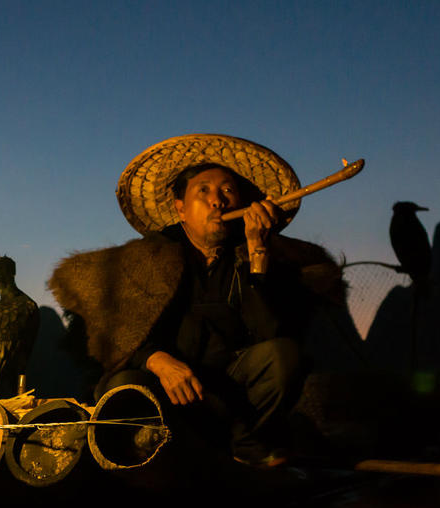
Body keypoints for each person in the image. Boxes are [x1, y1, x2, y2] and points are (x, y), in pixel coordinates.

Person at [49, 134, 344, 466]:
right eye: (203, 190)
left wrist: (257, 251)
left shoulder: (254, 256)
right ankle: (142, 465)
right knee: (125, 384)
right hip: (163, 395)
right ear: (181, 209)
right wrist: (156, 360)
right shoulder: (148, 259)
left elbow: (269, 334)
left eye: (228, 191)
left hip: (227, 399)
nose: (218, 201)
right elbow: (108, 339)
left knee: (283, 355)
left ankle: (246, 448)